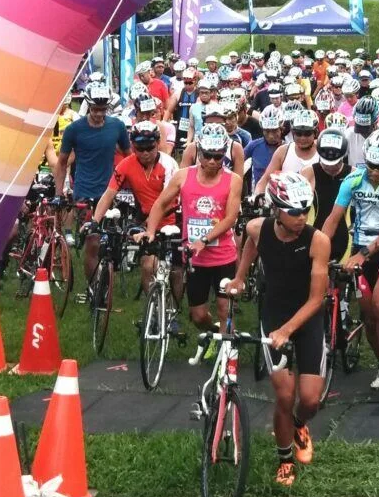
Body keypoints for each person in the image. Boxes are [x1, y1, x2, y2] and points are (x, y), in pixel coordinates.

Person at [230, 173, 330, 486]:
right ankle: (285, 460)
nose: (302, 217)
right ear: (276, 209)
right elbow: (251, 242)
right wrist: (240, 276)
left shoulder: (318, 241)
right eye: (294, 211)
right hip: (274, 316)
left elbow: (316, 299)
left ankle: (299, 424)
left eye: (306, 210)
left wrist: (288, 330)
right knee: (285, 397)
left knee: (310, 400)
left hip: (307, 319)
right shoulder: (257, 228)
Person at [321, 130, 379, 390]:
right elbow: (333, 219)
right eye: (370, 164)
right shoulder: (351, 181)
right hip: (360, 246)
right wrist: (320, 250)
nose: (374, 171)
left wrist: (362, 254)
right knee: (369, 315)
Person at [145, 123, 242, 337]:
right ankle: (214, 334)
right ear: (199, 151)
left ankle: (227, 351)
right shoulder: (183, 176)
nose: (212, 161)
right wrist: (151, 231)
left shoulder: (233, 180)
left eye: (218, 156)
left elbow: (230, 218)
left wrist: (204, 240)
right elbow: (160, 204)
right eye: (207, 155)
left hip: (223, 256)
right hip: (194, 258)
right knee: (198, 316)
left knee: (224, 308)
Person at [56, 83, 131, 284]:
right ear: (88, 106)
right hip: (85, 191)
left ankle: (107, 279)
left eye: (103, 109)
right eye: (95, 109)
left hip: (109, 191)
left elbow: (129, 157)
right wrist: (59, 193)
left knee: (111, 241)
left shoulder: (117, 126)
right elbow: (62, 163)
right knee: (93, 242)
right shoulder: (74, 129)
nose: (99, 114)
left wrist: (131, 185)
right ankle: (93, 288)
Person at [91, 122, 178, 294]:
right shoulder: (125, 165)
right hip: (147, 221)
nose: (145, 153)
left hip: (172, 219)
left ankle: (174, 306)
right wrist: (94, 221)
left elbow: (167, 202)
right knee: (147, 266)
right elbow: (109, 194)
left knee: (177, 270)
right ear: (132, 146)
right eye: (140, 148)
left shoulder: (169, 165)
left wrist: (149, 223)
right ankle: (152, 306)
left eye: (150, 148)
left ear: (158, 143)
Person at [302, 129, 351, 265]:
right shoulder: (308, 173)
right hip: (313, 233)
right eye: (326, 162)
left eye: (335, 162)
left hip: (345, 236)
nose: (330, 167)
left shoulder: (353, 174)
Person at [256, 110, 321, 192]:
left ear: (315, 133)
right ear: (293, 133)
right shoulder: (283, 151)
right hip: (287, 199)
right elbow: (265, 179)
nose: (302, 138)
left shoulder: (322, 152)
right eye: (298, 134)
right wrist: (256, 195)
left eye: (307, 134)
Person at [244, 105, 283, 187]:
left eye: (274, 131)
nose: (271, 136)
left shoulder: (288, 148)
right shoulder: (253, 145)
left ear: (281, 129)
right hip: (258, 191)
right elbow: (237, 161)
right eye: (267, 131)